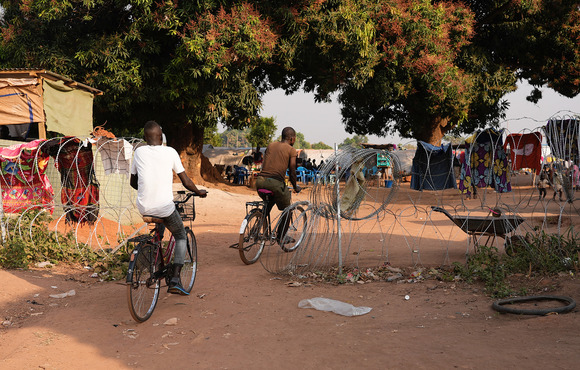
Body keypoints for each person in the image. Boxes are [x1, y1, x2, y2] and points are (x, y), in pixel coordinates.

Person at [130, 121, 207, 295]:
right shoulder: (170, 152)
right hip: (164, 207)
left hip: (143, 206)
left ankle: (156, 252)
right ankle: (175, 279)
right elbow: (186, 181)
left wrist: (146, 191)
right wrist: (199, 192)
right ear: (161, 136)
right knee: (180, 235)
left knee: (161, 220)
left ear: (145, 137)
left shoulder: (139, 151)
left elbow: (133, 182)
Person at [255, 126, 301, 243]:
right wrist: (295, 186)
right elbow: (292, 171)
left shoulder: (271, 145)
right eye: (294, 139)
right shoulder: (291, 150)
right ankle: (281, 236)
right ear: (291, 138)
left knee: (270, 202)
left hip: (260, 181)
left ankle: (256, 229)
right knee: (288, 209)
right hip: (275, 183)